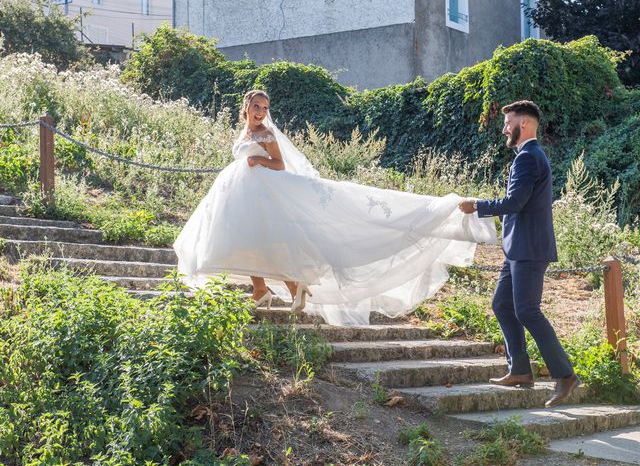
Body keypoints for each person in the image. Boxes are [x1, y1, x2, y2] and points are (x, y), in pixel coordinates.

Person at [174, 89, 496, 326]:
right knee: (252, 240)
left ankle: (285, 285)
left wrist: (257, 158)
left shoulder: (268, 133)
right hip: (247, 193)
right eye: (256, 106)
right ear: (245, 107)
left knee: (262, 240)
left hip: (265, 192)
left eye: (265, 107)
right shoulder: (246, 131)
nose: (260, 111)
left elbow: (279, 165)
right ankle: (263, 289)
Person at [458, 100, 580, 408]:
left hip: (528, 248)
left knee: (527, 310)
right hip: (517, 248)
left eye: (507, 122)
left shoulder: (528, 157)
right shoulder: (527, 156)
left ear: (523, 124)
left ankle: (565, 376)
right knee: (502, 304)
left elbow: (515, 202)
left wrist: (478, 205)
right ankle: (521, 370)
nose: (503, 128)